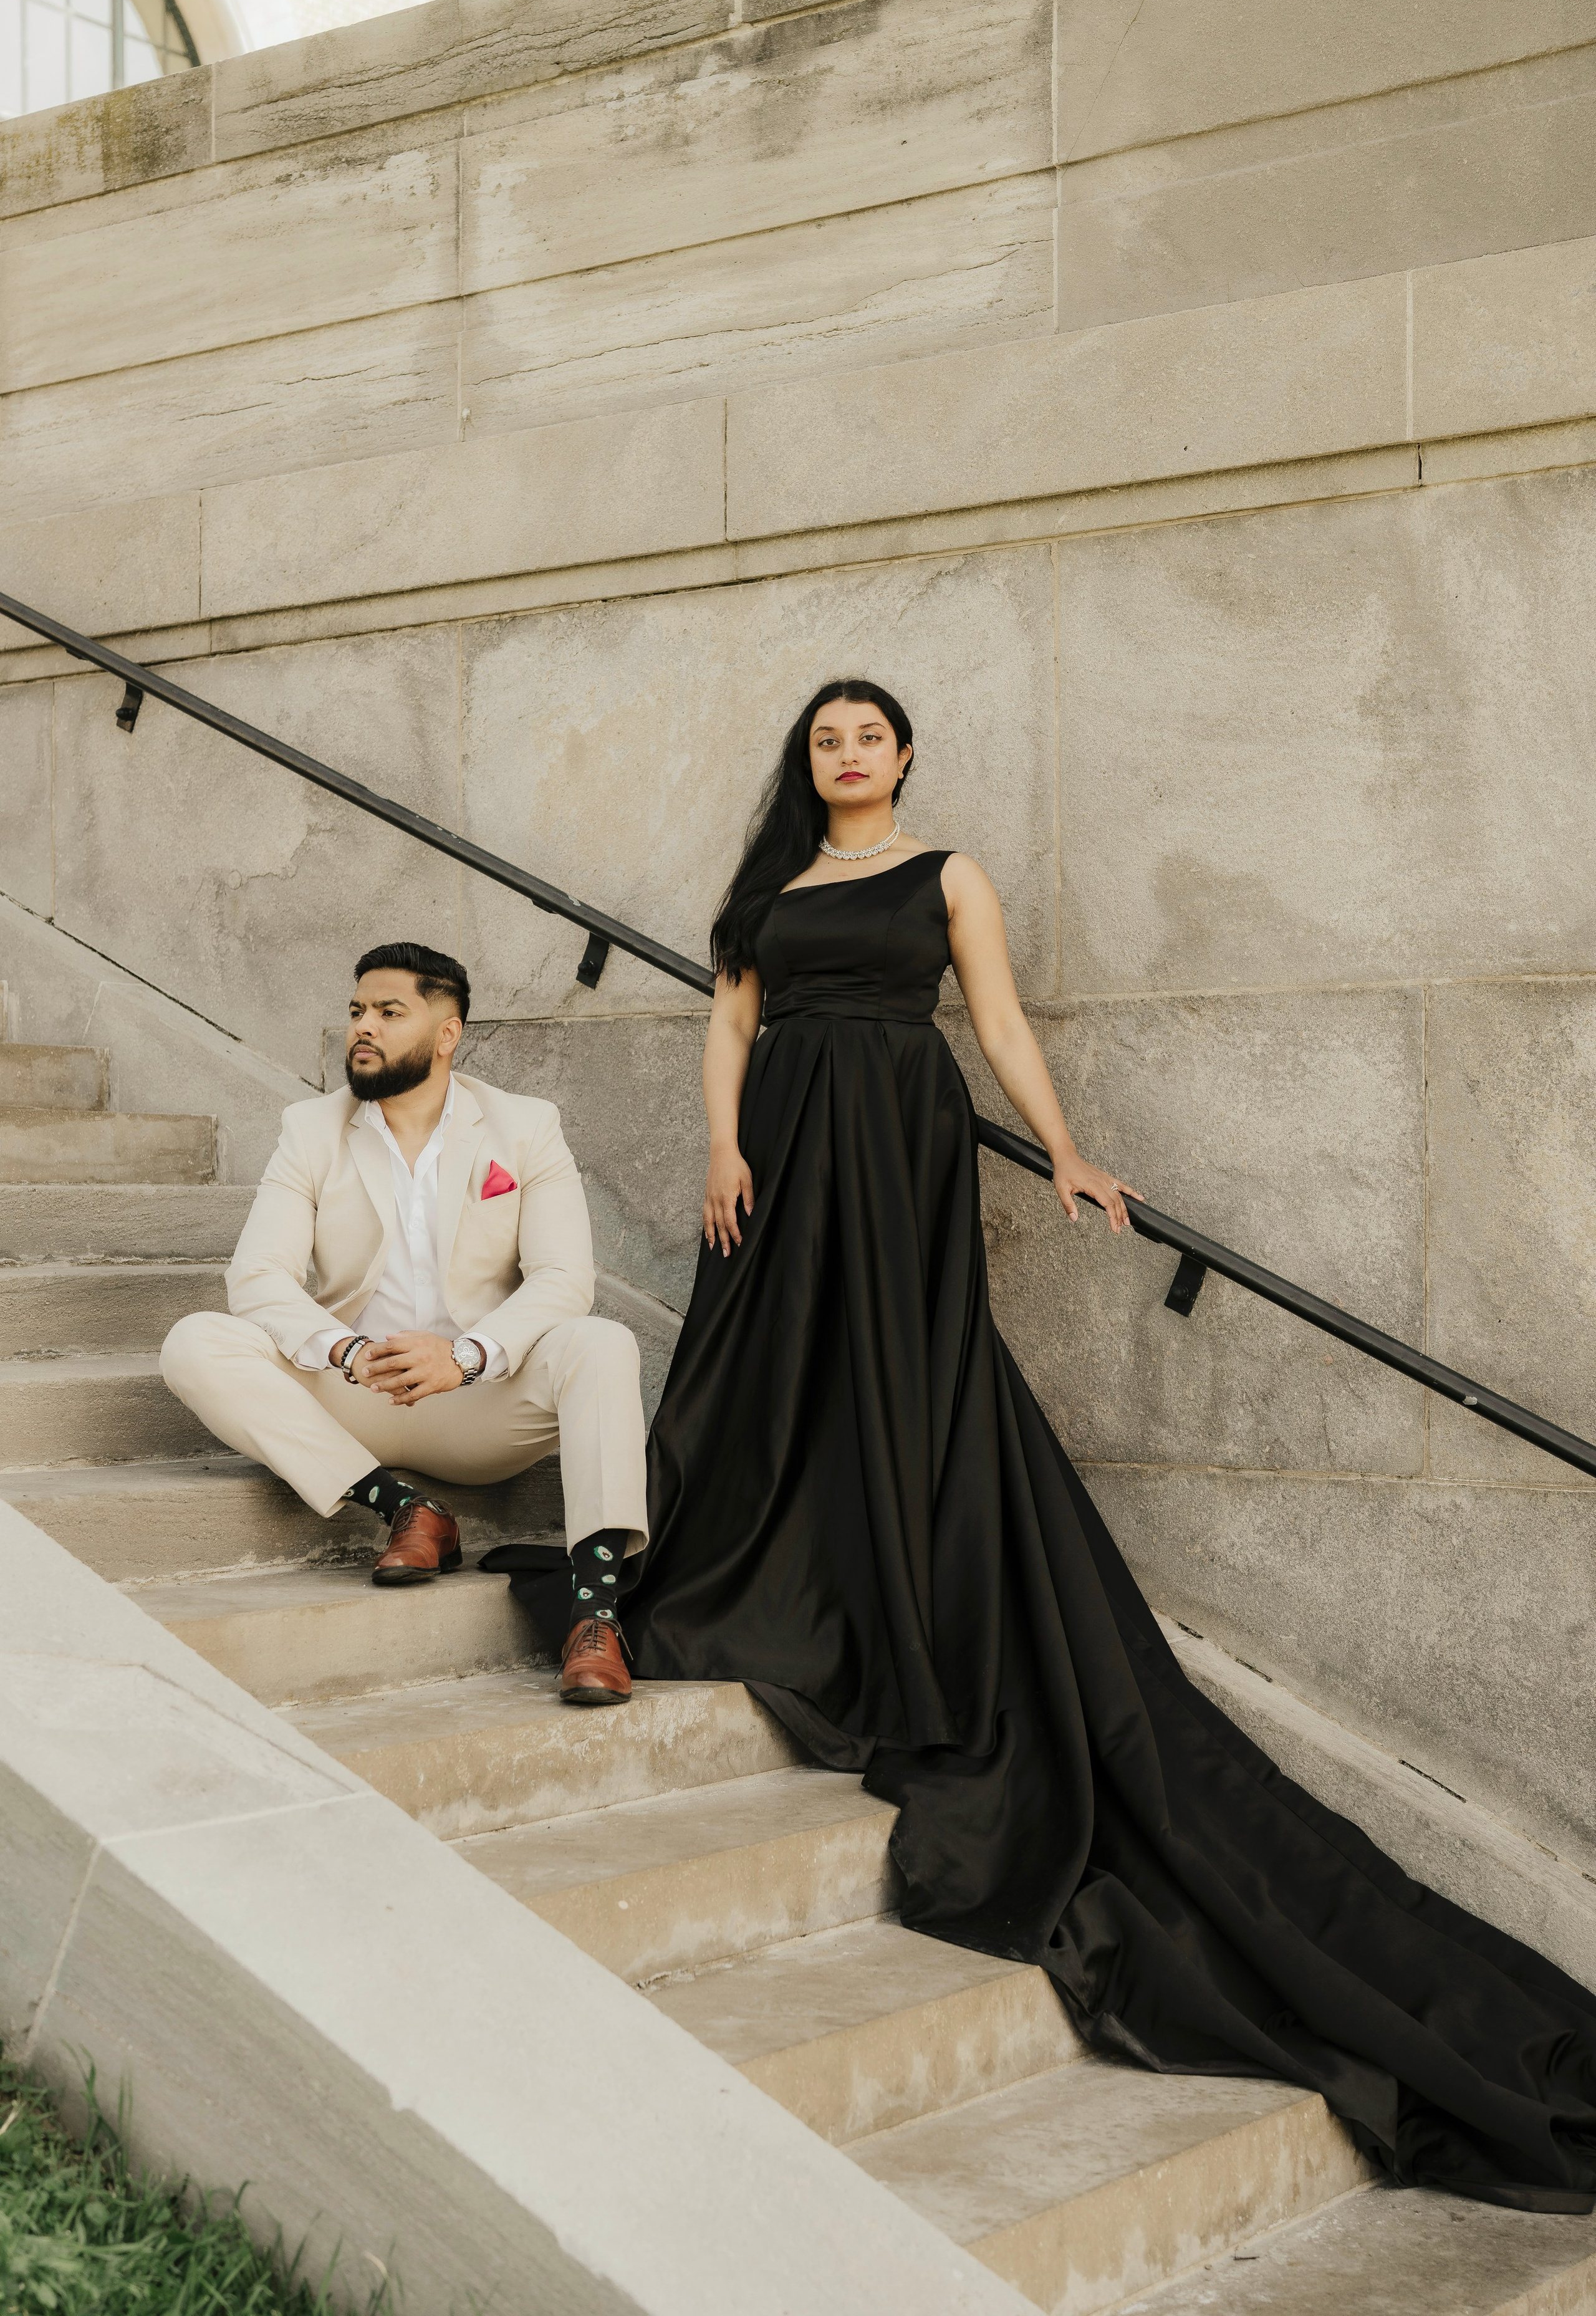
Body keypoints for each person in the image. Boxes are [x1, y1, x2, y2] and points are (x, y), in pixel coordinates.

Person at [524, 680, 1596, 2211]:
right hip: (776, 1137)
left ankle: (886, 1582)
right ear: (804, 759)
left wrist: (1069, 1143)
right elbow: (731, 1020)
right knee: (760, 1377)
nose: (844, 753)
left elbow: (1002, 1020)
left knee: (900, 1372)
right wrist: (719, 1144)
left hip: (896, 1125)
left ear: (900, 756)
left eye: (866, 735)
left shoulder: (943, 874)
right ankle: (773, 1562)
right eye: (824, 735)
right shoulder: (765, 890)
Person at [160, 943, 644, 1706]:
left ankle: (596, 1618)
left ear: (446, 1034)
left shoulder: (525, 1128)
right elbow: (258, 1277)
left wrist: (469, 1356)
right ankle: (407, 1511)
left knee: (603, 1342)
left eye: (390, 1013)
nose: (365, 1028)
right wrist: (345, 1350)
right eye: (357, 1011)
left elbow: (562, 1280)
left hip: (483, 1402)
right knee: (196, 1340)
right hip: (354, 1393)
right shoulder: (311, 1128)